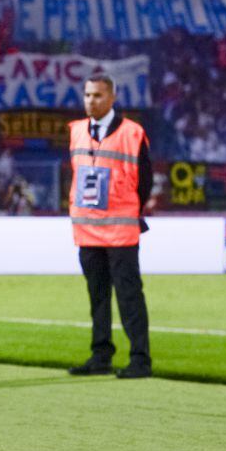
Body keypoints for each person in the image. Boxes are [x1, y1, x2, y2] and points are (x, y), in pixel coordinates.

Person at [67, 74, 153, 379]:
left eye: (98, 95)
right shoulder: (77, 130)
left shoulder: (132, 133)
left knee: (129, 296)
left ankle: (140, 359)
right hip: (88, 230)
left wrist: (127, 209)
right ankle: (100, 354)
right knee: (98, 296)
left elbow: (145, 183)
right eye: (88, 95)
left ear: (112, 98)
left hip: (120, 230)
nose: (91, 100)